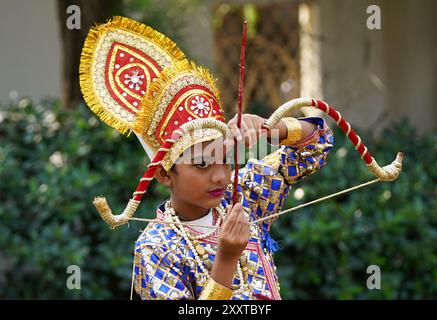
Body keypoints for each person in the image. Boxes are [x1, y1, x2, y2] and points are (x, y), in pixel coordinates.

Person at [80, 16, 334, 300]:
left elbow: (318, 145)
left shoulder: (245, 196)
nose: (221, 176)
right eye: (202, 164)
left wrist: (271, 128)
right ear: (164, 174)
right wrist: (225, 260)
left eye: (226, 158)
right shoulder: (156, 248)